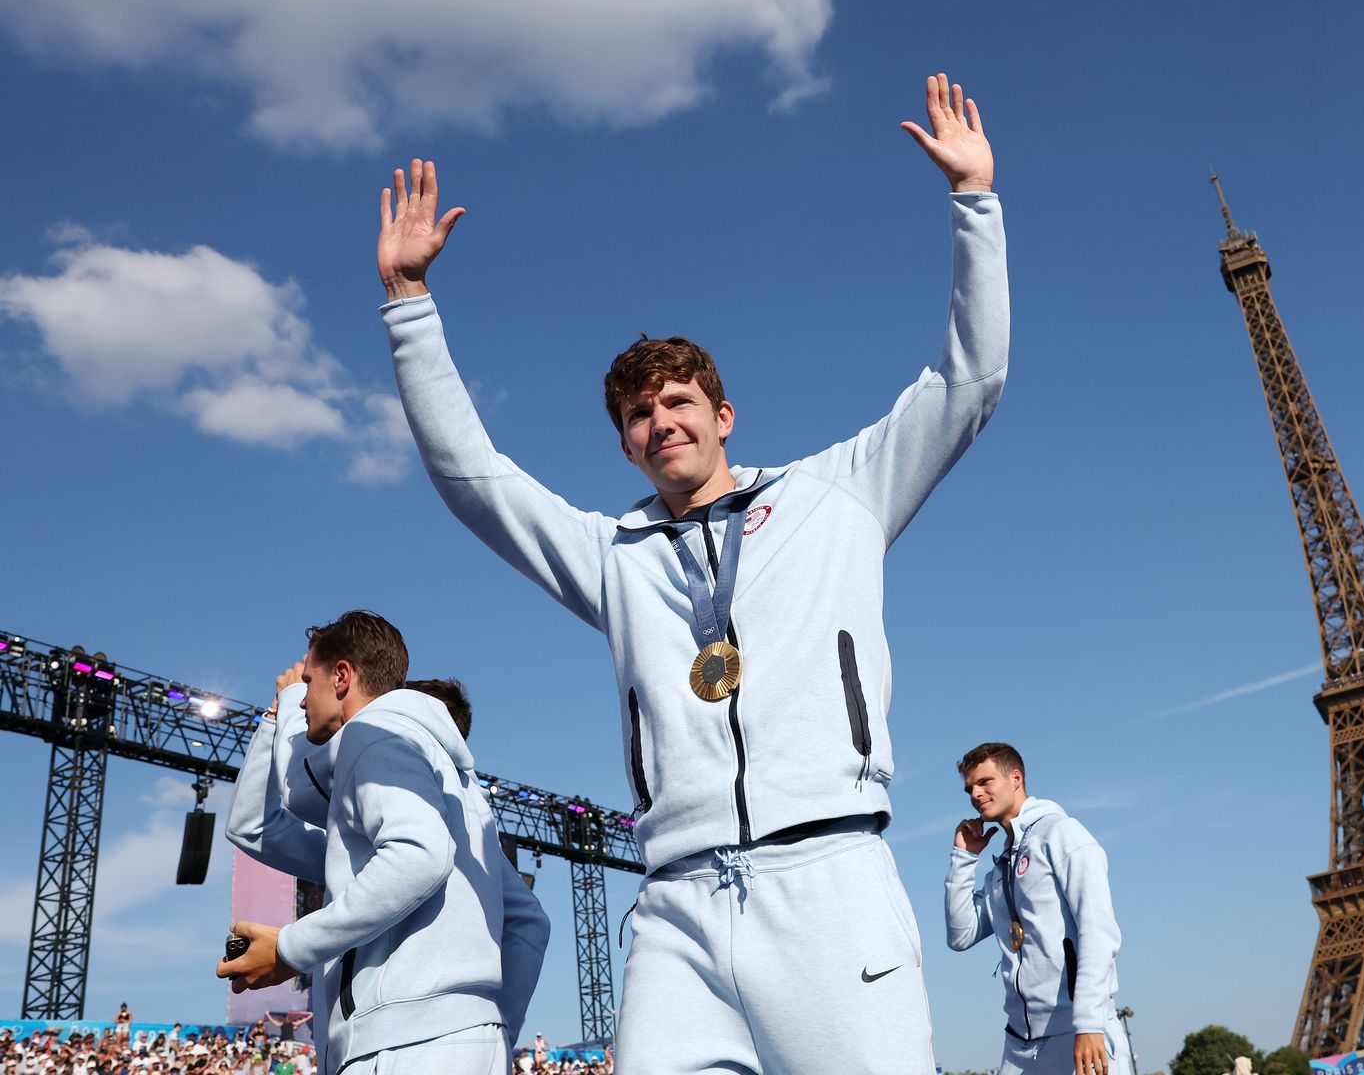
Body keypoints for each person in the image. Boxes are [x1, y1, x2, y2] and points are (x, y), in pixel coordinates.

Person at [374, 72, 1005, 1075]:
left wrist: (974, 201)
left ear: (723, 415)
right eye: (638, 415)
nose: (660, 420)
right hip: (676, 903)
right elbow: (474, 481)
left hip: (825, 879)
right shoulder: (610, 556)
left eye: (678, 401)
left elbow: (969, 381)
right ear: (626, 445)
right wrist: (408, 300)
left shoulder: (836, 496)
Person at [217, 611, 549, 1075]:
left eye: (308, 682)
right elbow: (256, 827)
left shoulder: (376, 735)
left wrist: (292, 947)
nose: (303, 697)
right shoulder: (464, 798)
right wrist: (489, 1027)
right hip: (457, 1042)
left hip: (401, 1045)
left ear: (342, 676)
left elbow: (417, 856)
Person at [946, 743, 1126, 1075]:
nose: (976, 793)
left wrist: (1088, 1023)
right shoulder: (1000, 868)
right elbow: (961, 935)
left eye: (985, 781)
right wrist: (963, 859)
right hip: (1018, 1044)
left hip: (1077, 1032)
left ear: (1016, 778)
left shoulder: (1062, 834)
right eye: (970, 788)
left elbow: (1097, 931)